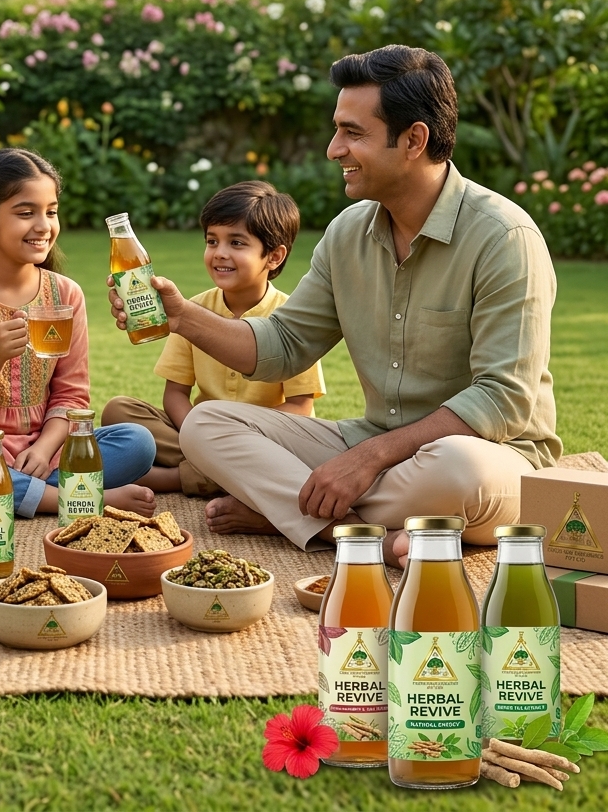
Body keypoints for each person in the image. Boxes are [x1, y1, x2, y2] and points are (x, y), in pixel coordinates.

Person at [108, 45, 560, 567]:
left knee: (460, 470)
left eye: (353, 132)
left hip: (492, 457)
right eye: (336, 129)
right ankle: (353, 531)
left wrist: (368, 459)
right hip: (376, 448)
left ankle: (287, 511)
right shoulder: (348, 234)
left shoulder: (505, 237)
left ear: (414, 139)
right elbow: (282, 346)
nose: (333, 149)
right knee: (207, 424)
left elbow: (502, 400)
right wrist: (182, 316)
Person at [0, 148, 157, 518]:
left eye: (51, 211)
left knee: (137, 442)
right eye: (26, 213)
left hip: (47, 445)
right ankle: (79, 500)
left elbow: (71, 394)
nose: (43, 225)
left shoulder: (66, 294)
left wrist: (42, 450)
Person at [101, 181, 325, 495]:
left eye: (236, 243)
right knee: (119, 411)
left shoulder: (291, 316)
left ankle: (177, 478)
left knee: (298, 451)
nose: (219, 253)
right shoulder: (191, 311)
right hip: (197, 431)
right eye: (212, 241)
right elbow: (176, 394)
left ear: (273, 256)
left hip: (261, 438)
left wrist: (234, 437)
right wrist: (201, 436)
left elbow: (300, 407)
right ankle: (220, 474)